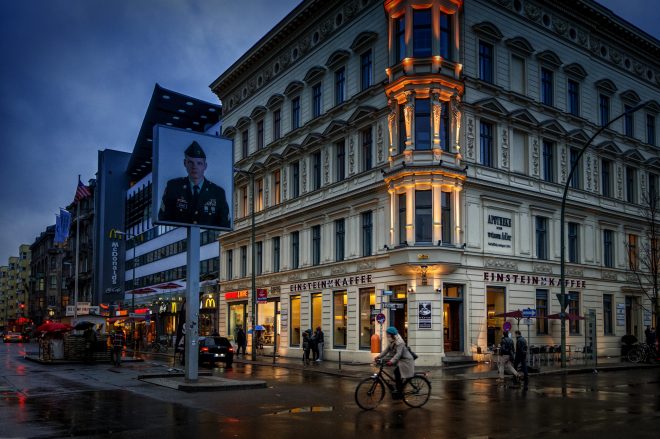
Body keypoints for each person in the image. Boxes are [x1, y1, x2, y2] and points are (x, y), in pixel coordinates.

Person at [158, 141, 230, 227]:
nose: (194, 167)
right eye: (190, 162)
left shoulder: (218, 192)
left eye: (199, 163)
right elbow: (163, 217)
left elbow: (225, 223)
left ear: (205, 166)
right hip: (182, 236)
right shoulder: (173, 187)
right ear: (185, 163)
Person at [374, 327, 414, 399]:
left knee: (397, 372)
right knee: (396, 374)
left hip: (406, 361)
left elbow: (398, 354)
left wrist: (391, 361)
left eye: (388, 334)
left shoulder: (400, 342)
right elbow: (386, 351)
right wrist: (378, 357)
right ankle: (399, 386)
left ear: (392, 335)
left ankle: (400, 391)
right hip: (401, 361)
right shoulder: (392, 342)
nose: (387, 336)